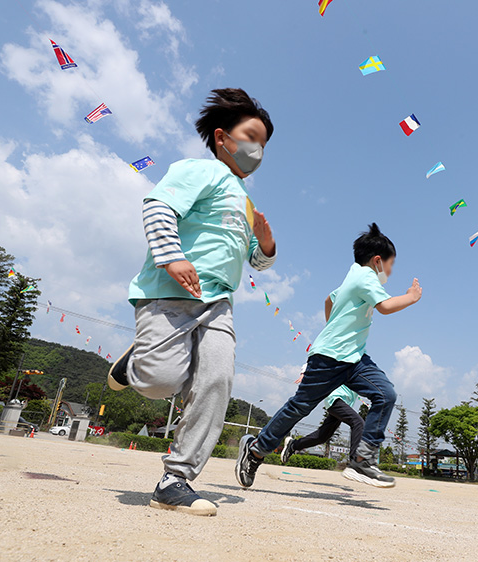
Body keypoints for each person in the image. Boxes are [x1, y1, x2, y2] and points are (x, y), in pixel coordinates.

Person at [106, 88, 277, 517]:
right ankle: (135, 366)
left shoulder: (246, 199)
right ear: (223, 137)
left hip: (219, 302)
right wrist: (172, 257)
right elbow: (158, 207)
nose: (258, 151)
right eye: (252, 138)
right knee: (161, 382)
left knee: (217, 382)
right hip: (170, 293)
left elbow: (252, 259)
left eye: (264, 145)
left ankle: (175, 480)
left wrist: (267, 246)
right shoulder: (198, 171)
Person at [237, 223, 422, 488]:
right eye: (391, 265)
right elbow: (385, 306)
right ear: (378, 261)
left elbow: (328, 299)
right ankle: (255, 450)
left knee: (385, 394)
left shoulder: (353, 275)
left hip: (354, 359)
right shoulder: (366, 276)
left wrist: (333, 327)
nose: (391, 272)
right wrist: (411, 297)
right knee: (300, 407)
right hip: (329, 358)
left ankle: (362, 460)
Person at [280, 365, 364, 465]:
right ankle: (355, 463)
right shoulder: (348, 358)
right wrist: (304, 373)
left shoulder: (363, 372)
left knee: (322, 436)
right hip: (336, 399)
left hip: (344, 404)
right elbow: (318, 359)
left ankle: (293, 445)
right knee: (358, 423)